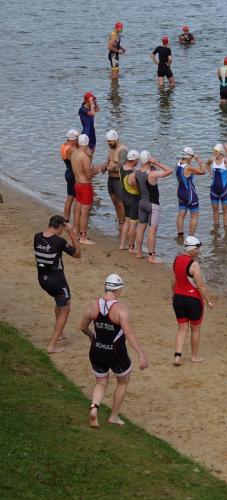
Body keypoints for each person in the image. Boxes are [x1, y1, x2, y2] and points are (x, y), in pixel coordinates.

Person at [79, 274, 149, 428]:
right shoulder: (121, 309)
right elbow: (128, 333)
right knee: (123, 381)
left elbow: (83, 327)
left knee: (101, 382)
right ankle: (113, 416)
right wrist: (141, 354)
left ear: (106, 287)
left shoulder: (92, 305)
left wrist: (91, 336)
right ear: (118, 289)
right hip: (116, 353)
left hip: (96, 350)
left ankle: (94, 409)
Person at [35, 215, 81, 353]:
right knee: (65, 308)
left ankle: (59, 333)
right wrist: (71, 232)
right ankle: (52, 345)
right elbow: (77, 254)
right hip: (57, 281)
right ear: (61, 227)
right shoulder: (59, 241)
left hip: (42, 279)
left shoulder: (37, 237)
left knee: (59, 302)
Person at [172, 236, 214, 366]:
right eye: (197, 248)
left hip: (178, 298)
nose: (199, 250)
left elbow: (173, 280)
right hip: (193, 300)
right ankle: (194, 357)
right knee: (195, 329)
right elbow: (200, 285)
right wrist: (209, 301)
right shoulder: (194, 264)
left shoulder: (177, 259)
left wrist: (173, 295)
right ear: (191, 249)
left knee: (182, 328)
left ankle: (177, 357)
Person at [134, 152, 172, 263]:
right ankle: (151, 257)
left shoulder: (137, 172)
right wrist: (156, 162)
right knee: (152, 232)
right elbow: (169, 171)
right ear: (149, 160)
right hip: (153, 205)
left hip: (141, 203)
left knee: (141, 228)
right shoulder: (152, 174)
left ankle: (138, 252)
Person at [71, 134, 106, 245]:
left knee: (78, 209)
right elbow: (88, 175)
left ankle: (76, 232)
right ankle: (83, 237)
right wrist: (97, 169)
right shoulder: (84, 157)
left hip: (77, 184)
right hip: (85, 186)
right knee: (85, 213)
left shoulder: (74, 153)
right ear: (87, 144)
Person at [175, 147, 205, 237]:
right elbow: (203, 171)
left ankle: (180, 236)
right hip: (190, 194)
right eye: (192, 156)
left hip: (180, 192)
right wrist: (199, 160)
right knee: (194, 216)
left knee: (181, 214)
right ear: (189, 157)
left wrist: (190, 158)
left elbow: (188, 169)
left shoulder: (178, 164)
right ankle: (191, 237)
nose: (192, 158)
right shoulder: (188, 167)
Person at [118, 149, 140, 251]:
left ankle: (122, 245)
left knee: (126, 221)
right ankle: (131, 247)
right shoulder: (132, 174)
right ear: (134, 160)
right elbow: (137, 189)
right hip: (133, 199)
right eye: (138, 160)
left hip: (124, 196)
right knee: (133, 224)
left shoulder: (121, 168)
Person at [104, 129, 128, 226]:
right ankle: (120, 221)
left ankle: (126, 223)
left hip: (119, 180)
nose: (108, 143)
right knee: (115, 202)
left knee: (121, 203)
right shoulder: (111, 149)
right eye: (108, 141)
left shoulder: (123, 150)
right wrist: (103, 167)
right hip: (110, 180)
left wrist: (112, 168)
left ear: (116, 140)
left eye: (110, 141)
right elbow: (108, 162)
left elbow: (123, 167)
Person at [60, 129, 79, 223]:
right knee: (76, 199)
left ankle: (66, 220)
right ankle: (76, 221)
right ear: (74, 139)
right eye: (77, 139)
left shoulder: (63, 146)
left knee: (69, 197)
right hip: (73, 174)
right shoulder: (72, 149)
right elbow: (77, 163)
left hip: (68, 171)